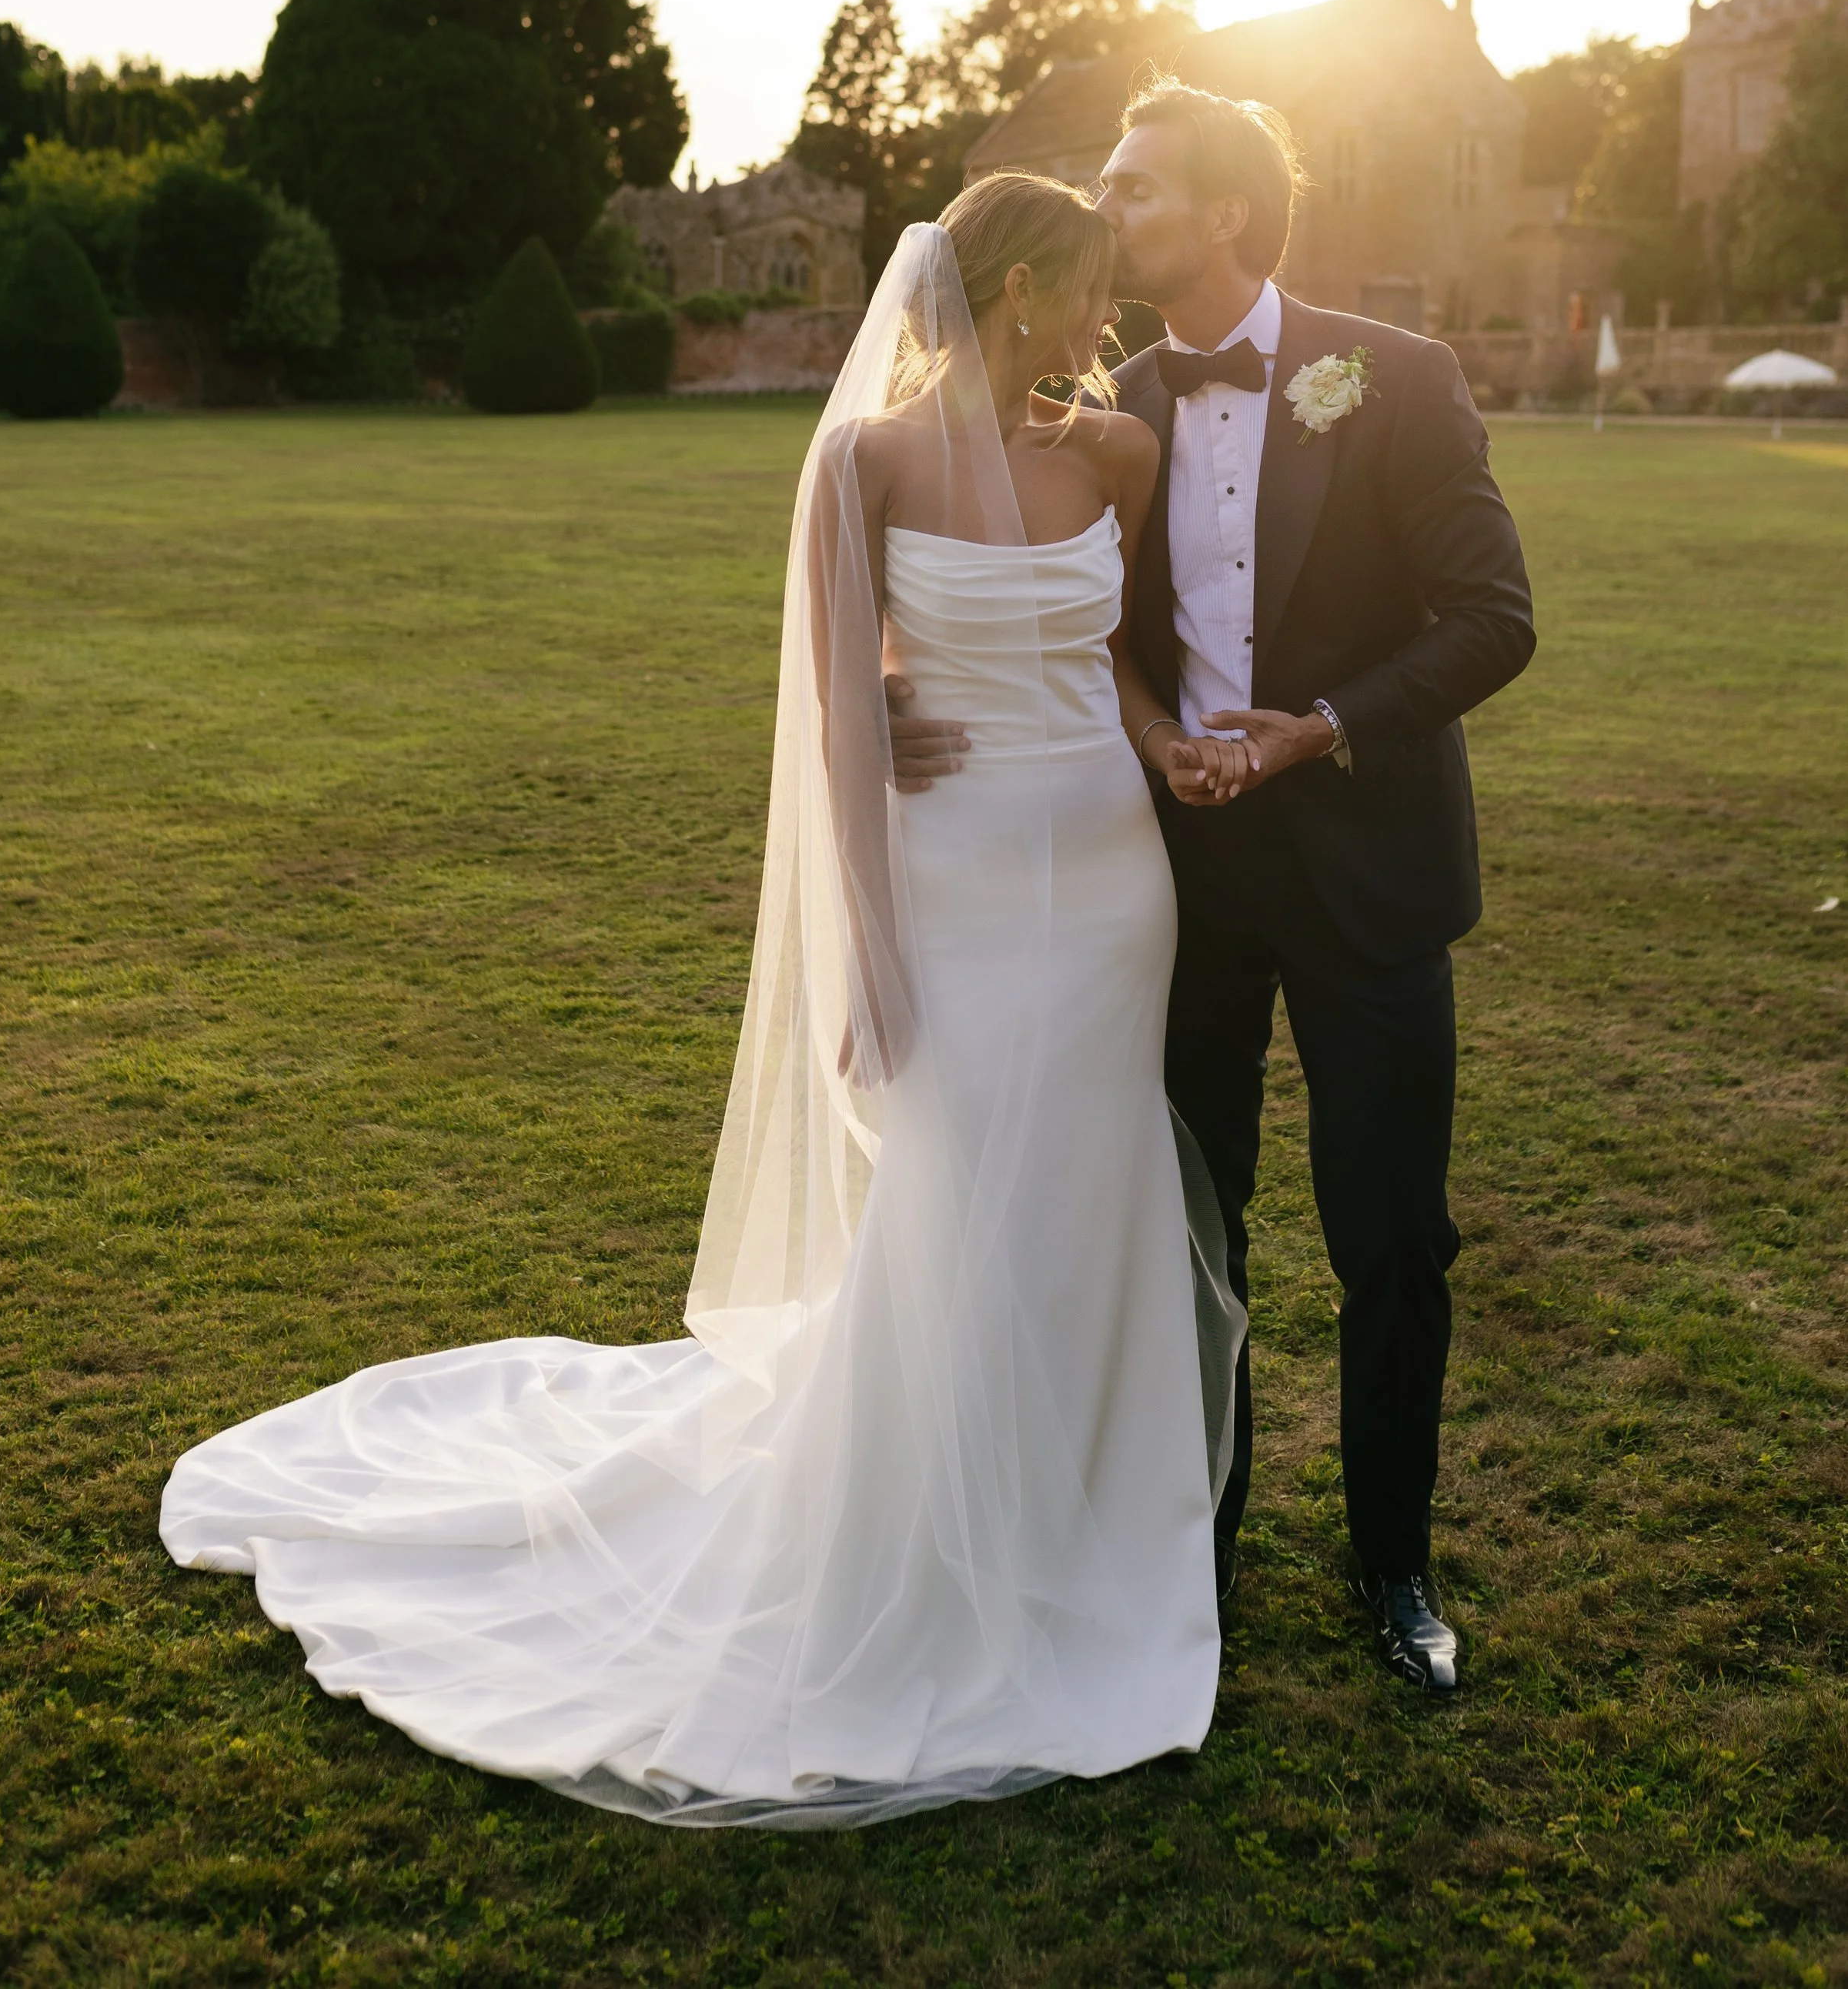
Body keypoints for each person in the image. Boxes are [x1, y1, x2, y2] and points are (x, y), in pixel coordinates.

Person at [160, 174, 1245, 1827]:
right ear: (1014, 287)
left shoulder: (1113, 452)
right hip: (952, 882)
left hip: (1108, 876)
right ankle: (931, 1538)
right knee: (963, 1183)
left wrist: (1158, 737)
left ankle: (1093, 1522)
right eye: (1087, 291)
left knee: (1087, 1175)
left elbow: (1100, 647)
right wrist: (867, 944)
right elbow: (828, 719)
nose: (1108, 330)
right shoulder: (862, 464)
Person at [1095, 77, 1536, 1691]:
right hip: (1185, 888)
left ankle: (1392, 1563)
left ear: (1222, 212)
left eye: (1132, 187)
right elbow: (1097, 633)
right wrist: (1162, 745)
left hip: (1367, 881)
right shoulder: (1110, 401)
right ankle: (1191, 1548)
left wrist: (1319, 732)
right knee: (1191, 1229)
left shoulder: (1394, 379)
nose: (1107, 211)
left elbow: (1492, 617)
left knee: (1391, 1241)